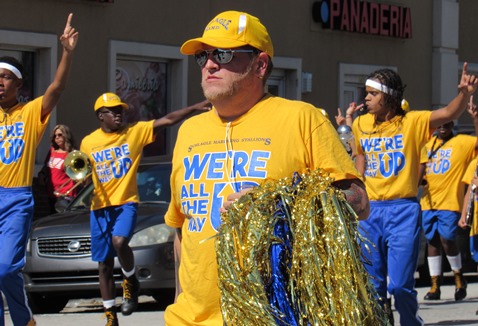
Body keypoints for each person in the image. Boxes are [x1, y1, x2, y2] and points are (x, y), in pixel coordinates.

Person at [165, 10, 370, 325]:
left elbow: (357, 200)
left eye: (223, 54)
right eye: (203, 56)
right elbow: (182, 228)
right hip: (188, 319)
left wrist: (277, 203)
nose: (209, 64)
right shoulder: (188, 132)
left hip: (273, 317)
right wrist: (179, 300)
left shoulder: (302, 118)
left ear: (259, 64)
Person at [352, 66, 478, 325]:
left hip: (403, 210)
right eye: (366, 93)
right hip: (370, 211)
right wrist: (355, 193)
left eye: (372, 94)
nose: (366, 98)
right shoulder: (360, 123)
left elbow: (448, 113)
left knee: (399, 286)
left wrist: (464, 95)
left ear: (388, 96)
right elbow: (360, 160)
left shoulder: (413, 122)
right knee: (373, 286)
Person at [79, 92, 209, 326]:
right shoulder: (88, 142)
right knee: (104, 264)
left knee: (120, 242)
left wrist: (195, 107)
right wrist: (81, 178)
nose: (119, 115)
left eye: (121, 110)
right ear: (101, 116)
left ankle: (130, 281)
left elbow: (167, 120)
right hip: (99, 207)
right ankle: (111, 316)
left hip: (126, 202)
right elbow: (84, 170)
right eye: (113, 111)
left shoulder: (134, 132)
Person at [0, 13, 78, 326]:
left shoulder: (30, 112)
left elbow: (57, 88)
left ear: (19, 83)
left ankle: (24, 318)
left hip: (16, 200)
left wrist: (67, 53)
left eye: (5, 76)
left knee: (5, 267)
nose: (0, 81)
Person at [419, 99, 478, 302]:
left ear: (453, 124)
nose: (442, 128)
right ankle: (435, 285)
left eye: (446, 124)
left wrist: (475, 118)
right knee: (432, 242)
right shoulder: (428, 144)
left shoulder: (462, 142)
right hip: (428, 201)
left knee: (447, 239)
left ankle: (458, 276)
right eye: (439, 125)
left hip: (450, 201)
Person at [41, 124, 79, 213]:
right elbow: (46, 167)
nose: (57, 138)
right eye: (55, 136)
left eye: (60, 135)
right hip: (52, 192)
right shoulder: (52, 151)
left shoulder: (72, 154)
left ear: (66, 135)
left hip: (65, 194)